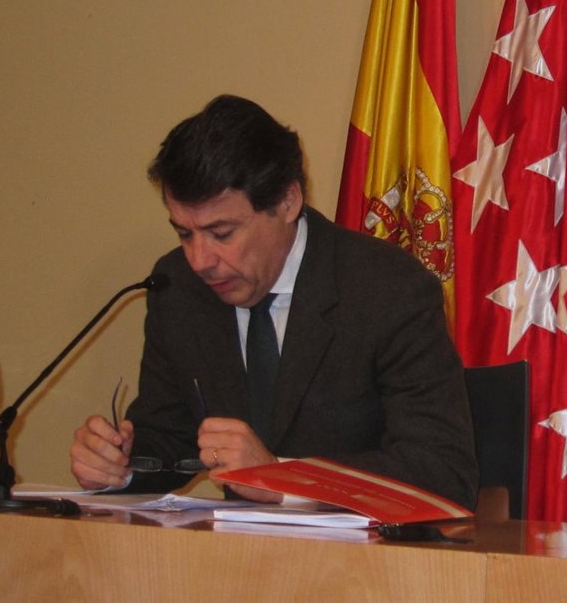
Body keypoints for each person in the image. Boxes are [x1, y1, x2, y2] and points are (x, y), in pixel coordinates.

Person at [69, 94, 478, 507]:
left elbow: (442, 470)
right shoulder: (177, 286)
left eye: (222, 233)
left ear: (287, 202)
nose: (200, 260)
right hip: (230, 546)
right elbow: (169, 436)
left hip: (359, 547)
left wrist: (283, 478)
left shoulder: (386, 288)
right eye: (184, 233)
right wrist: (118, 465)